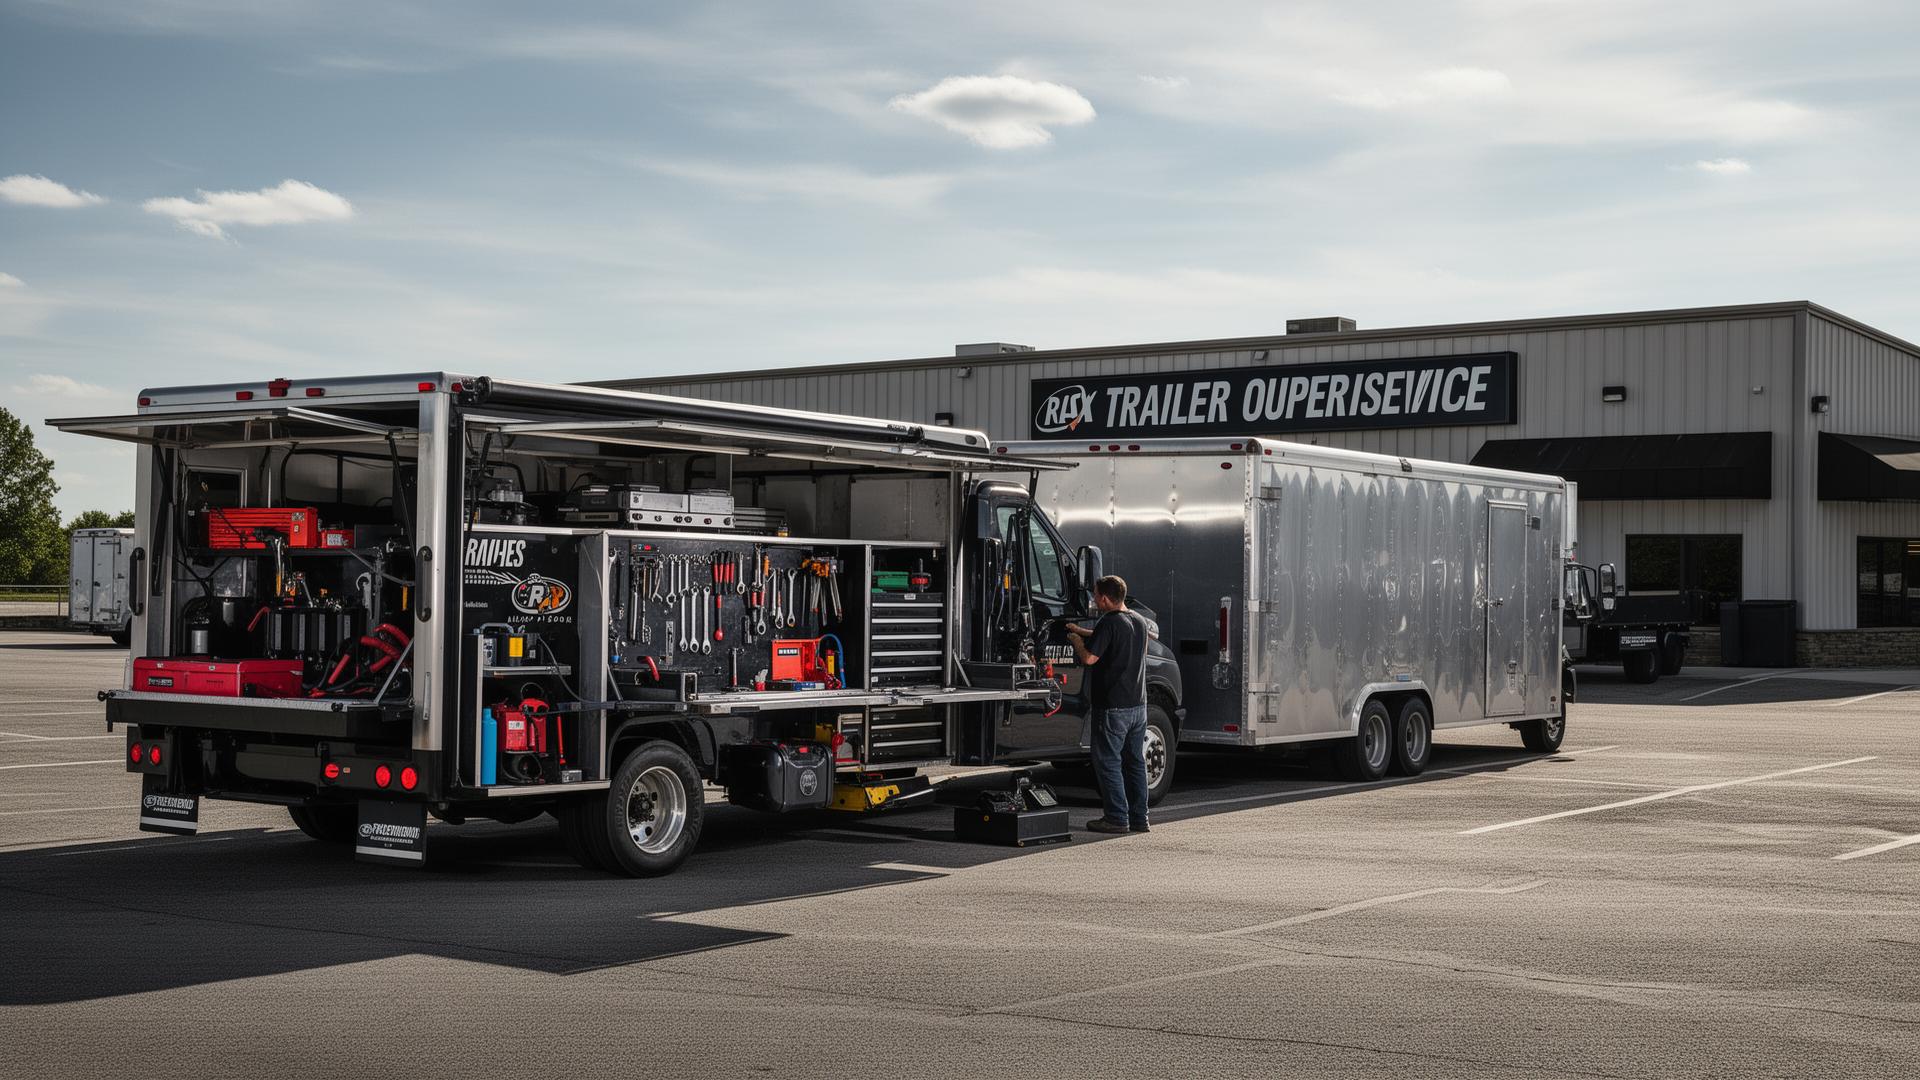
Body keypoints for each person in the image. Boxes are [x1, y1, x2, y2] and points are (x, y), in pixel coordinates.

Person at [1068, 574, 1152, 834]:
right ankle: (1140, 819)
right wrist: (1084, 631)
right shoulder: (1138, 621)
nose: (1094, 599)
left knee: (1108, 762)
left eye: (1095, 595)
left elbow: (1091, 658)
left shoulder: (1109, 622)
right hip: (1138, 706)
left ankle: (1116, 818)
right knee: (1135, 762)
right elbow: (1116, 639)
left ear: (1105, 598)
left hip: (1113, 707)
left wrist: (1077, 641)